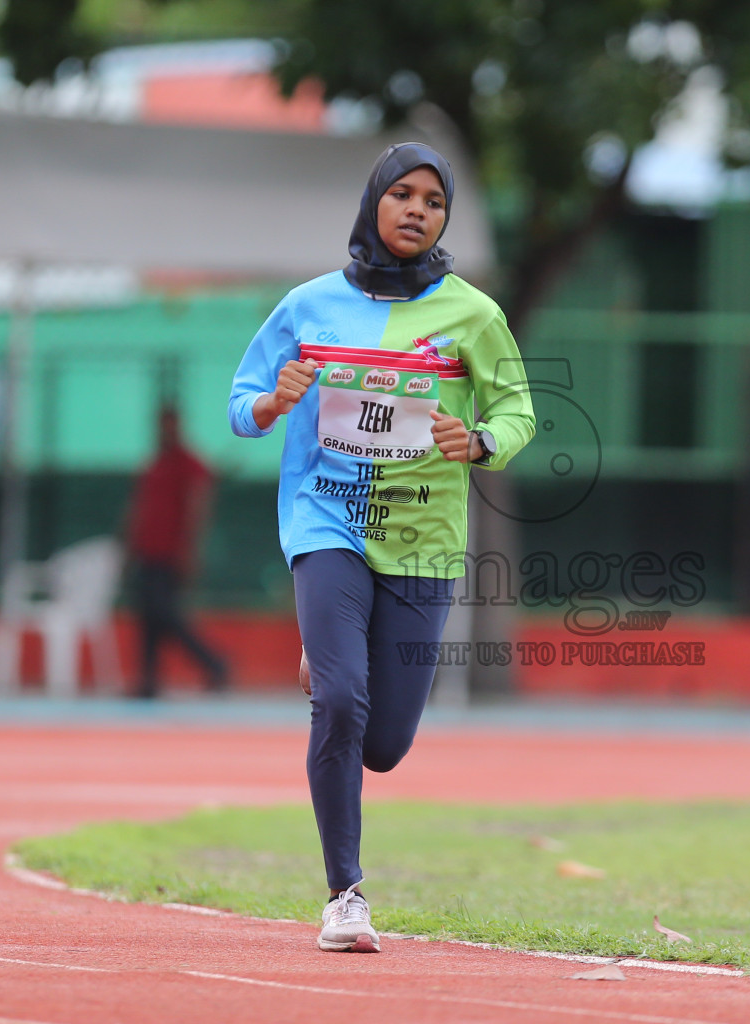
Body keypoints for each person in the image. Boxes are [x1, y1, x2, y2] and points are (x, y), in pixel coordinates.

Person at [228, 142, 535, 953]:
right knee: (339, 701)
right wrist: (271, 402)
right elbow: (239, 402)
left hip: (424, 542)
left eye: (433, 201)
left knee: (386, 744)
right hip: (324, 520)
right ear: (373, 203)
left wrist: (475, 440)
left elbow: (519, 413)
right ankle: (345, 894)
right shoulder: (307, 306)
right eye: (401, 194)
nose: (416, 210)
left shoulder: (474, 314)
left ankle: (333, 665)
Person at [125, 406, 228, 699]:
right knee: (148, 618)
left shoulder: (188, 462)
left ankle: (215, 663)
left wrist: (190, 551)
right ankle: (148, 680)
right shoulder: (155, 463)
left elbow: (199, 508)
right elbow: (139, 509)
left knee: (166, 615)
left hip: (170, 554)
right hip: (147, 552)